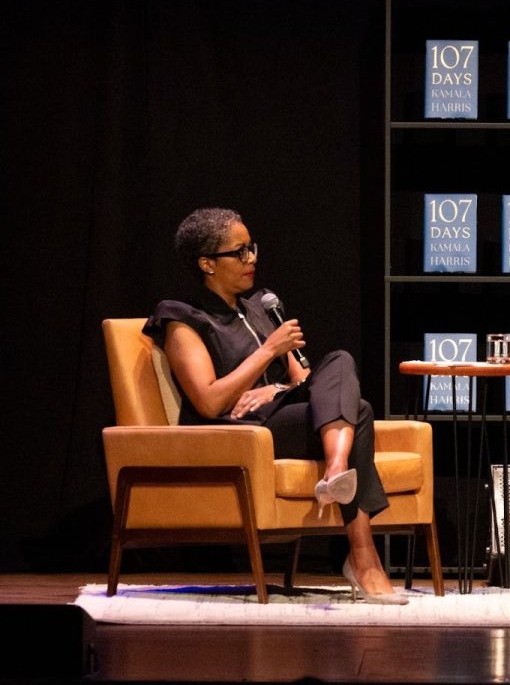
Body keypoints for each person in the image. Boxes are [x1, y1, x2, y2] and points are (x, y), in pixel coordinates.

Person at [144, 208, 407, 605]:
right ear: (207, 264)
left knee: (339, 360)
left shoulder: (258, 309)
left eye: (252, 248)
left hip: (278, 415)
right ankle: (363, 556)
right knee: (363, 411)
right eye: (240, 251)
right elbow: (209, 400)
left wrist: (275, 389)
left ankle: (336, 471)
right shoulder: (182, 317)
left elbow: (305, 381)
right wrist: (269, 351)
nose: (252, 258)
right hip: (239, 434)